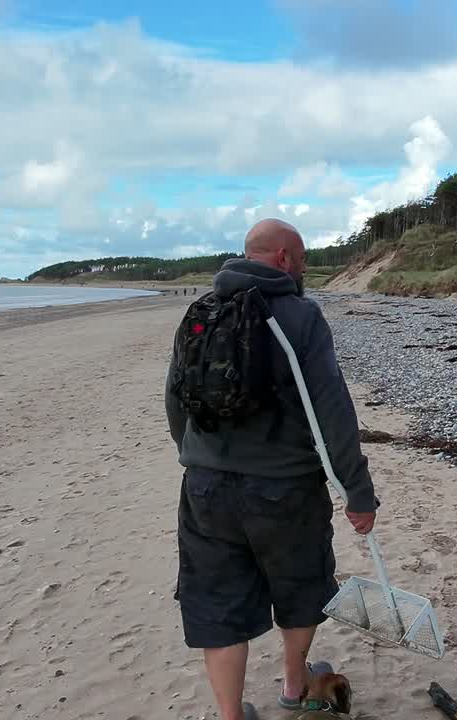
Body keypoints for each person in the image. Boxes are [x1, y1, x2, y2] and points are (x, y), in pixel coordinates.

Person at [165, 218, 379, 720]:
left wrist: (195, 456)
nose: (303, 269)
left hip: (205, 487)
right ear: (284, 258)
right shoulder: (301, 316)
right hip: (287, 487)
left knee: (217, 601)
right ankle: (293, 683)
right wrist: (357, 491)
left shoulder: (201, 311)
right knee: (301, 586)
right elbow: (333, 410)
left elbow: (176, 399)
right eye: (302, 260)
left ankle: (230, 715)